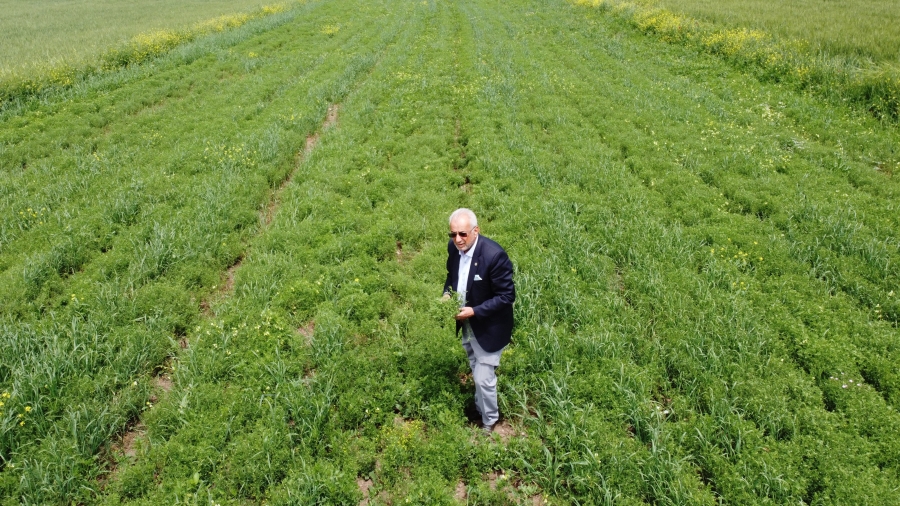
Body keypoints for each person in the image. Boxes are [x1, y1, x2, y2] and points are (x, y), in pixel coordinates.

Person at [443, 208, 515, 433]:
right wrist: (447, 294)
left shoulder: (494, 255)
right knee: (475, 367)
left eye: (463, 234)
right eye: (453, 234)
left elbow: (506, 296)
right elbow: (451, 278)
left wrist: (474, 311)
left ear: (476, 231)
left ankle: (490, 420)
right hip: (467, 324)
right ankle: (479, 407)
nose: (457, 239)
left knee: (484, 377)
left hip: (489, 327)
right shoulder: (454, 249)